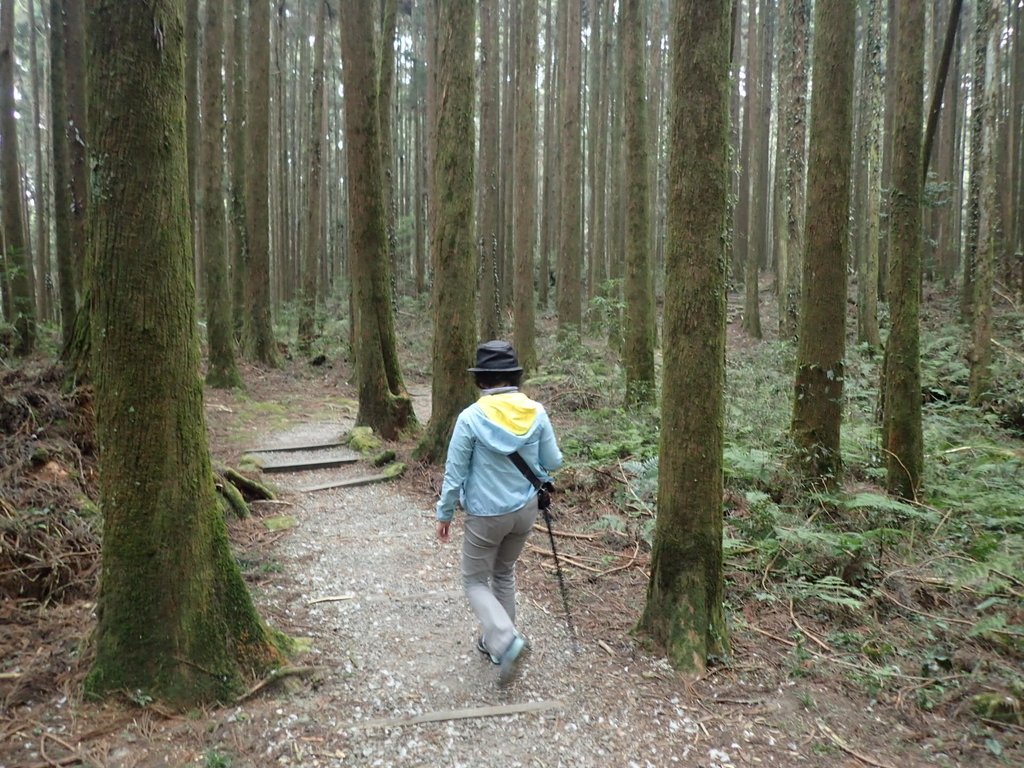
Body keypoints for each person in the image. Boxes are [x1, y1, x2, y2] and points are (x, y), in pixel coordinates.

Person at [435, 340, 562, 685]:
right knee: (503, 573)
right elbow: (553, 462)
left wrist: (444, 513)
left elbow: (455, 472)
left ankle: (506, 640)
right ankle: (498, 646)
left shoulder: (471, 418)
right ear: (513, 377)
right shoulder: (536, 412)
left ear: (482, 380)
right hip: (525, 509)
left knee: (475, 580)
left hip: (486, 515)